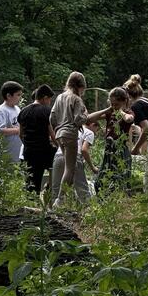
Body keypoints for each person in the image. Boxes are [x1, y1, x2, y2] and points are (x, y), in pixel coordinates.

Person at [50, 72, 88, 206]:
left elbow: (52, 118)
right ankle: (59, 200)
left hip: (59, 134)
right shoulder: (76, 99)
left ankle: (66, 199)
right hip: (70, 134)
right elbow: (78, 119)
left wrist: (56, 129)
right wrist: (85, 115)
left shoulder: (60, 97)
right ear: (81, 86)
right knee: (69, 169)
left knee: (69, 167)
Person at [88, 87, 134, 194]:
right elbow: (89, 119)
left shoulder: (128, 112)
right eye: (112, 104)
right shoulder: (110, 112)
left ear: (124, 101)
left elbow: (129, 119)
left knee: (121, 180)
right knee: (100, 182)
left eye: (116, 104)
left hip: (120, 149)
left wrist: (120, 111)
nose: (114, 106)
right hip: (109, 150)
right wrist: (107, 109)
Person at [18, 84, 58, 193]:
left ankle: (31, 202)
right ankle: (50, 190)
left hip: (28, 151)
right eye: (49, 99)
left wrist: (28, 144)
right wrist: (59, 147)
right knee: (58, 167)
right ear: (45, 98)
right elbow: (52, 134)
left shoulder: (23, 111)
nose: (49, 102)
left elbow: (20, 134)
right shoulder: (45, 111)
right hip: (43, 150)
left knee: (32, 181)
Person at [52, 121, 100, 205]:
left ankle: (52, 210)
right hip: (74, 156)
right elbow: (84, 150)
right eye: (97, 129)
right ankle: (90, 211)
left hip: (59, 156)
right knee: (82, 188)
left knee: (56, 187)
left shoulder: (70, 128)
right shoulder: (89, 132)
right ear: (93, 125)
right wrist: (93, 167)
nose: (96, 132)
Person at [0, 81, 23, 164]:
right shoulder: (1, 111)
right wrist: (18, 130)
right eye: (18, 95)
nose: (20, 97)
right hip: (6, 153)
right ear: (9, 96)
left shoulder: (17, 109)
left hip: (17, 152)